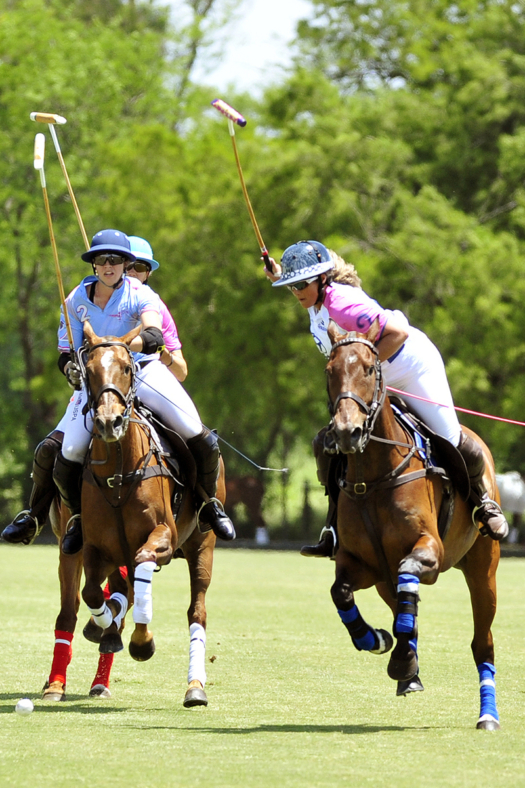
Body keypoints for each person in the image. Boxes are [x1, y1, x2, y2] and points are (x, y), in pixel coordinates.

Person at [265, 240, 508, 554]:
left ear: (323, 279)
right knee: (329, 442)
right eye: (291, 285)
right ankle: (335, 527)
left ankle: (483, 503)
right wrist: (279, 276)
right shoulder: (313, 296)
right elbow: (301, 289)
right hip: (370, 378)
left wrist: (366, 372)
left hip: (410, 367)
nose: (296, 290)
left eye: (300, 284)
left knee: (451, 438)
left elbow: (397, 333)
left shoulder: (342, 304)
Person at [2, 230, 235, 552]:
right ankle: (63, 518)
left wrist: (116, 347)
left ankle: (210, 505)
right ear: (94, 265)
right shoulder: (74, 300)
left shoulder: (140, 294)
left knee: (197, 433)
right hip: (97, 380)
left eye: (115, 260)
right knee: (64, 450)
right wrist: (70, 367)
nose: (108, 265)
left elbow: (153, 335)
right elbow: (65, 351)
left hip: (143, 371)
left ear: (126, 265)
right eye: (101, 259)